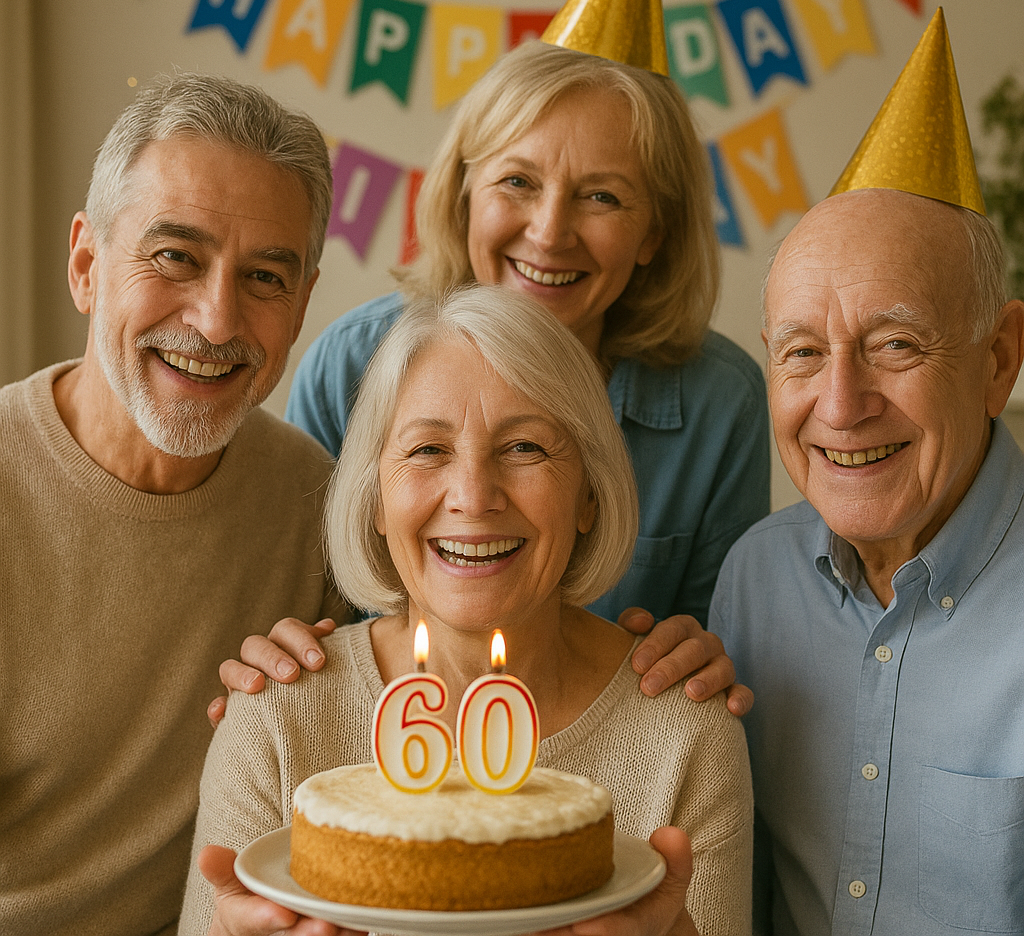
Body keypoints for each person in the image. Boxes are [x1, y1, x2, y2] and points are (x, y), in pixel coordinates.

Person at [180, 285, 754, 936]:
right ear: (374, 499)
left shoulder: (685, 739)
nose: (474, 496)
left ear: (589, 496)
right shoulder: (276, 718)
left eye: (526, 448)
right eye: (428, 449)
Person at [284, 0, 770, 630]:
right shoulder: (349, 369)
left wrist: (696, 656)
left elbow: (718, 634)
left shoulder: (719, 404)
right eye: (517, 182)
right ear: (461, 194)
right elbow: (306, 619)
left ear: (653, 233)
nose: (548, 233)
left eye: (601, 196)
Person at [0, 74, 345, 936]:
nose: (218, 318)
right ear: (86, 266)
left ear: (302, 304)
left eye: (266, 276)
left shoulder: (321, 507)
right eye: (175, 258)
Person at [709, 9, 1024, 935]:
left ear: (1000, 357)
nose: (841, 406)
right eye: (802, 354)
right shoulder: (754, 582)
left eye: (895, 344)